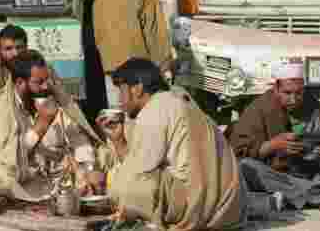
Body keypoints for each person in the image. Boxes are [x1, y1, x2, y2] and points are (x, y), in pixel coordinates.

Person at [92, 58, 281, 230]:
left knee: (123, 184)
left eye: (121, 91)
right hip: (225, 211)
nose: (119, 100)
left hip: (200, 209)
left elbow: (139, 171)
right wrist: (118, 141)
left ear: (137, 88)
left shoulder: (154, 110)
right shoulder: (178, 99)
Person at [226, 59, 320, 214]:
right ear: (276, 89)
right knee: (244, 168)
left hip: (309, 175)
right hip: (276, 174)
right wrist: (273, 145)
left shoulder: (314, 107)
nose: (293, 99)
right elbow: (237, 152)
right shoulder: (258, 109)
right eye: (287, 93)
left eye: (299, 93)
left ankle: (292, 197)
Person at [0, 50, 105, 202]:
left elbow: (77, 136)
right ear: (20, 82)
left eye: (47, 80)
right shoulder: (1, 108)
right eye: (39, 82)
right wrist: (42, 125)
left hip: (48, 173)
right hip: (12, 175)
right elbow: (7, 160)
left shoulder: (50, 95)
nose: (46, 86)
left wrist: (88, 168)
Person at [92, 0, 174, 108]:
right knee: (138, 117)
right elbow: (156, 35)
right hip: (138, 72)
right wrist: (164, 66)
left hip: (111, 67)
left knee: (117, 112)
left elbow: (97, 33)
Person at [0, 24, 63, 116]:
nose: (15, 53)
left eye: (19, 47)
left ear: (26, 47)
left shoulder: (42, 68)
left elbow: (62, 98)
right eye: (8, 49)